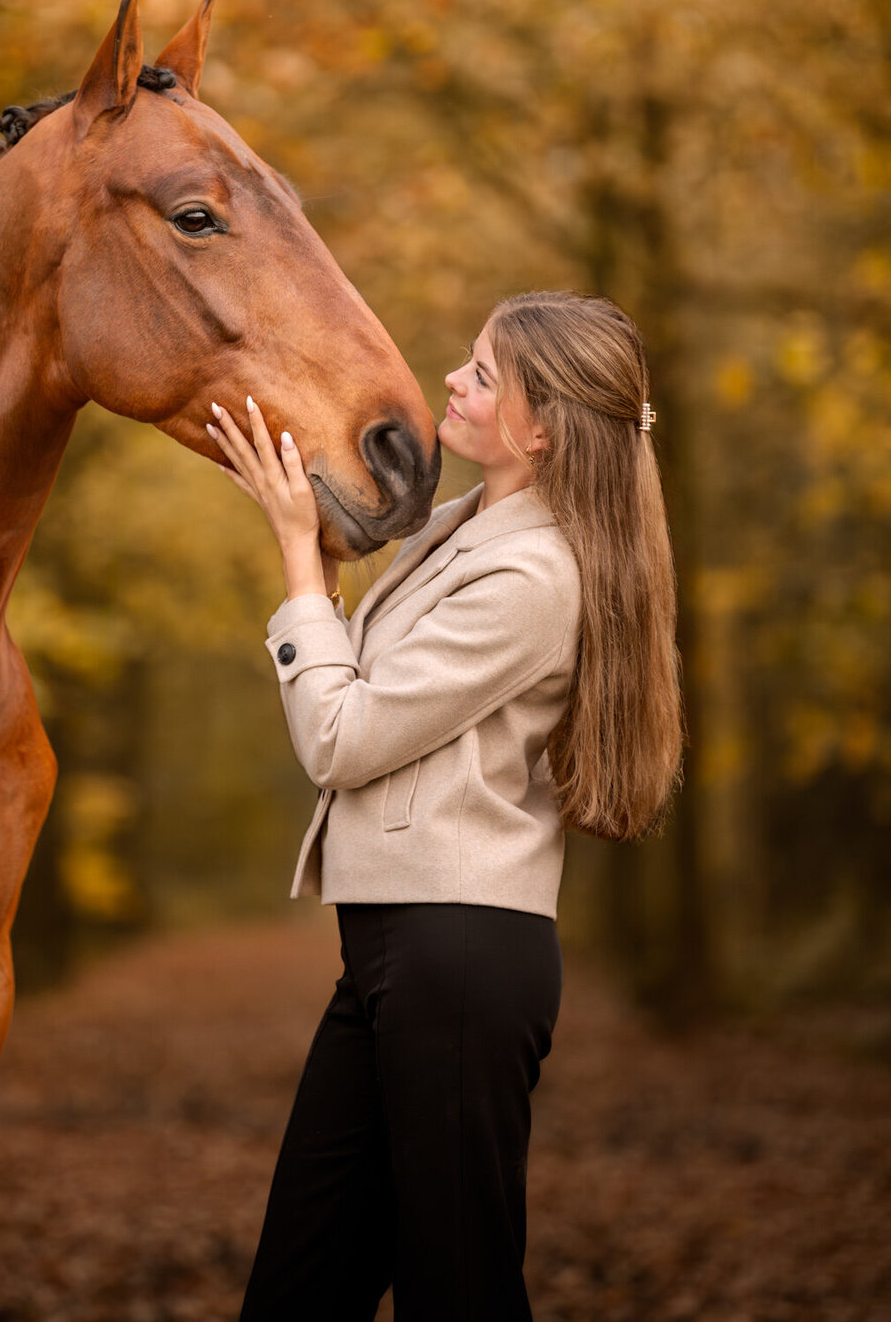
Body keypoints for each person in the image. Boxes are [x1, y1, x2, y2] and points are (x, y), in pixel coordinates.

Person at [205, 289, 684, 1322]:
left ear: (544, 426)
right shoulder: (470, 526)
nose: (451, 385)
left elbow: (344, 739)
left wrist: (295, 558)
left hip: (459, 958)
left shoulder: (534, 575)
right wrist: (318, 532)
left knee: (456, 1291)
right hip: (395, 953)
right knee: (297, 1291)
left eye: (481, 374)